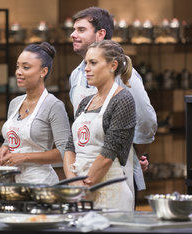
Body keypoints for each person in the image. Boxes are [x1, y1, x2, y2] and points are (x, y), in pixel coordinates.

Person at [68, 7, 157, 196]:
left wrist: (134, 152)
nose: (73, 35)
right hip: (81, 172)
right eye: (74, 29)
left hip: (115, 170)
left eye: (81, 30)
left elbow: (146, 121)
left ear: (100, 34)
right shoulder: (75, 75)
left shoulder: (126, 77)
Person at [64, 40, 136, 210]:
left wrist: (85, 187)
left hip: (109, 192)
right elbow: (70, 147)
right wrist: (73, 183)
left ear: (113, 65)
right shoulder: (86, 102)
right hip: (80, 191)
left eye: (93, 63)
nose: (86, 68)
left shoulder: (123, 100)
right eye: (86, 63)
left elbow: (108, 153)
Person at [0, 42, 70, 184]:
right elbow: (14, 137)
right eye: (17, 66)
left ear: (43, 71)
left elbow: (64, 152)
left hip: (42, 183)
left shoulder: (54, 105)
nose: (18, 71)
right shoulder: (15, 103)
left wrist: (24, 157)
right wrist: (5, 146)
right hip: (14, 181)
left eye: (26, 67)